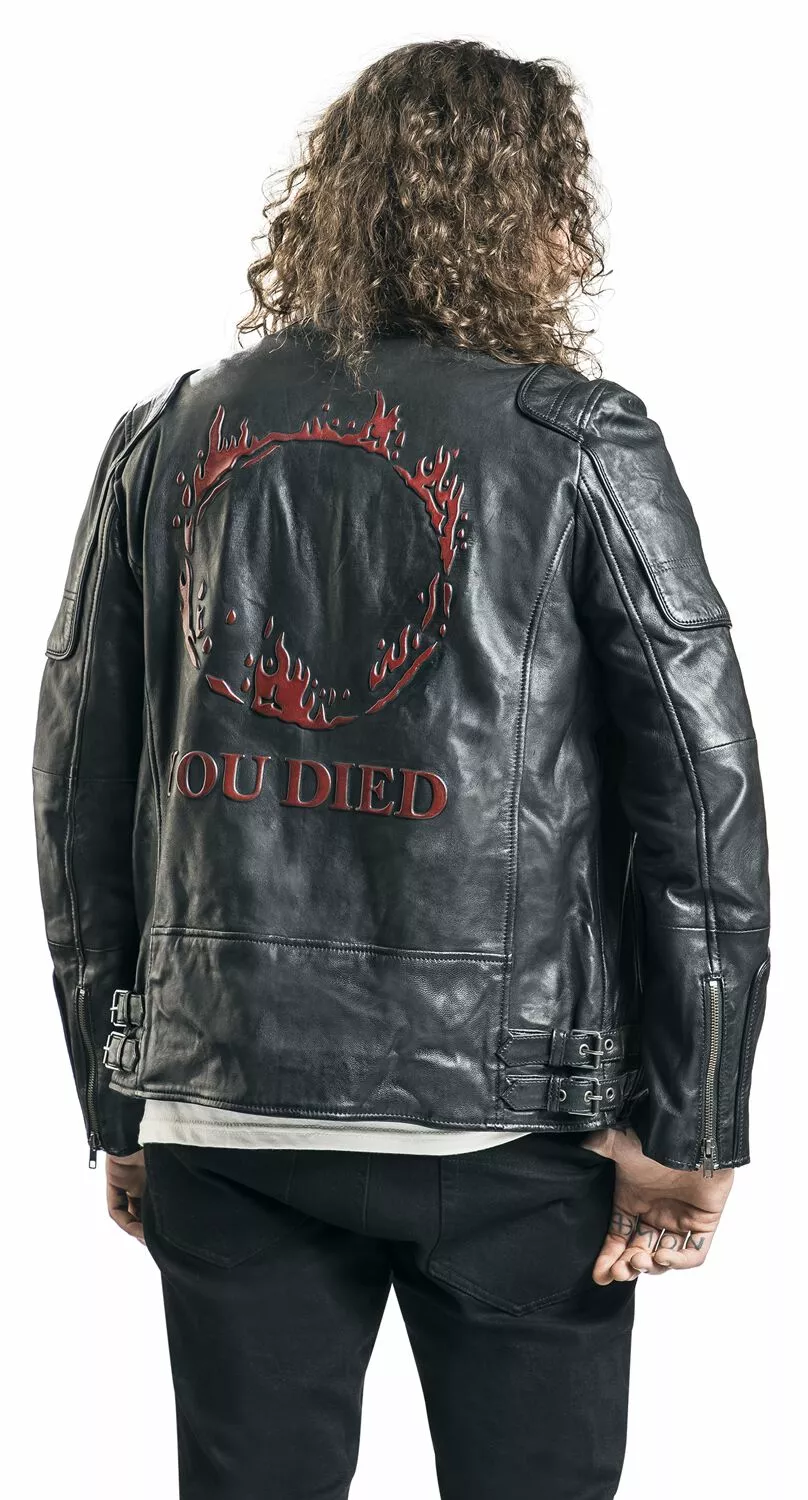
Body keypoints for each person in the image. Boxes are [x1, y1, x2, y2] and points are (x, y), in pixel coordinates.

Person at [32, 38, 770, 1500]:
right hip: (514, 1124)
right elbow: (701, 807)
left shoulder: (166, 436)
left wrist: (125, 1093)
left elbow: (77, 795)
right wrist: (694, 1127)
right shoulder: (575, 443)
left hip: (225, 1108)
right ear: (536, 213)